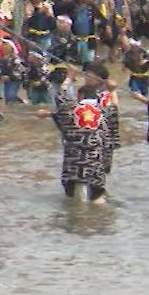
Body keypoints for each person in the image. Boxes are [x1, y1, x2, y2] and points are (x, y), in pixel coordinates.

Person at [42, 64, 117, 202]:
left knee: (75, 204)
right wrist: (113, 91)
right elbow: (114, 114)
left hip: (74, 164)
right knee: (98, 200)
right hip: (95, 164)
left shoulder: (70, 110)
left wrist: (69, 78)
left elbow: (60, 97)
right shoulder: (103, 112)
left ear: (80, 97)